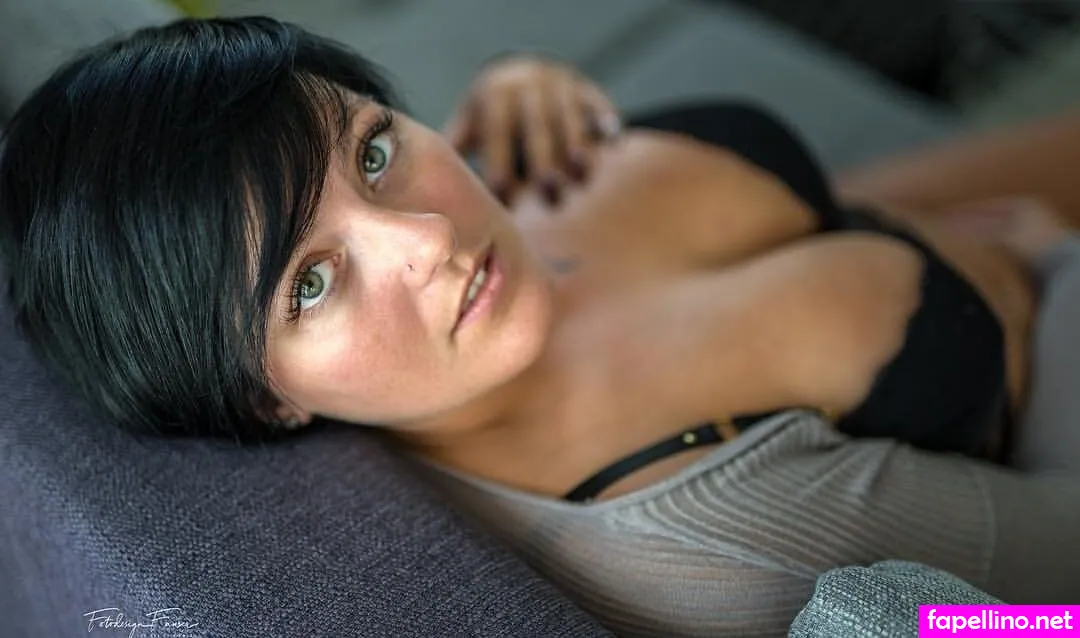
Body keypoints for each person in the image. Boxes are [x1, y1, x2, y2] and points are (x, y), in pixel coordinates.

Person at [0, 16, 1077, 637]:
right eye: (312, 283)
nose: (429, 235)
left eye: (372, 149)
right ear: (264, 398)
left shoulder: (493, 206)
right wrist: (1048, 256)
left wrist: (531, 87)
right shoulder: (731, 542)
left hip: (916, 212)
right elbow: (1048, 610)